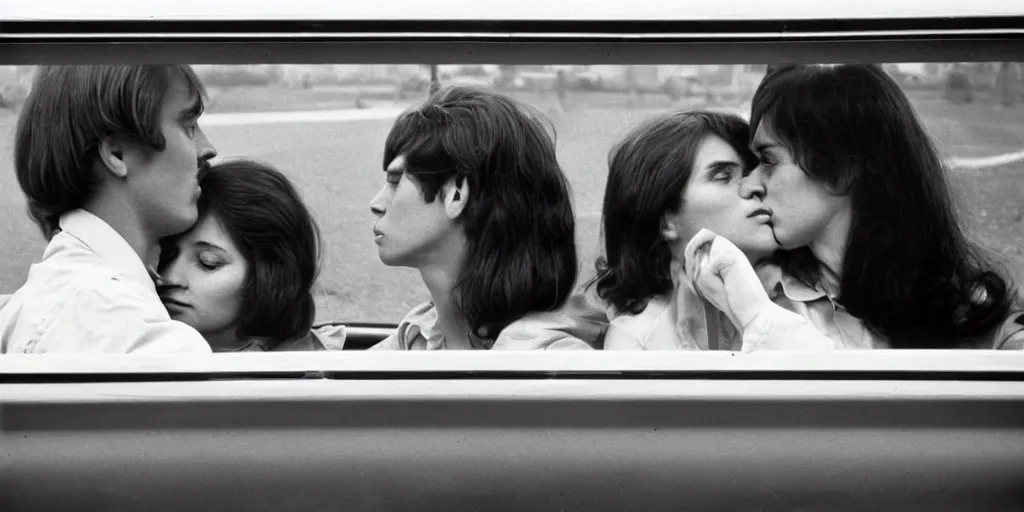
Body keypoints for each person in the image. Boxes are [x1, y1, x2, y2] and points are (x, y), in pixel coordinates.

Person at [733, 63, 1023, 350]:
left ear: (842, 167)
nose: (749, 185)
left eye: (768, 160)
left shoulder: (985, 324)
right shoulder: (754, 295)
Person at [0, 65, 217, 354]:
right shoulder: (154, 344)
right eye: (188, 126)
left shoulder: (19, 309)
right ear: (117, 153)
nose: (208, 148)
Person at [368, 85, 598, 350]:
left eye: (396, 181)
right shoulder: (419, 335)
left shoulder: (549, 359)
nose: (376, 204)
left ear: (456, 194)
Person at [593, 110, 834, 351]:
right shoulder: (638, 338)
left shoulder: (829, 298)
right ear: (665, 220)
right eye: (723, 176)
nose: (754, 187)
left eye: (752, 172)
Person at [157, 159, 346, 352]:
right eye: (165, 255)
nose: (170, 278)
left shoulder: (302, 375)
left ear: (268, 274)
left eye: (208, 263)